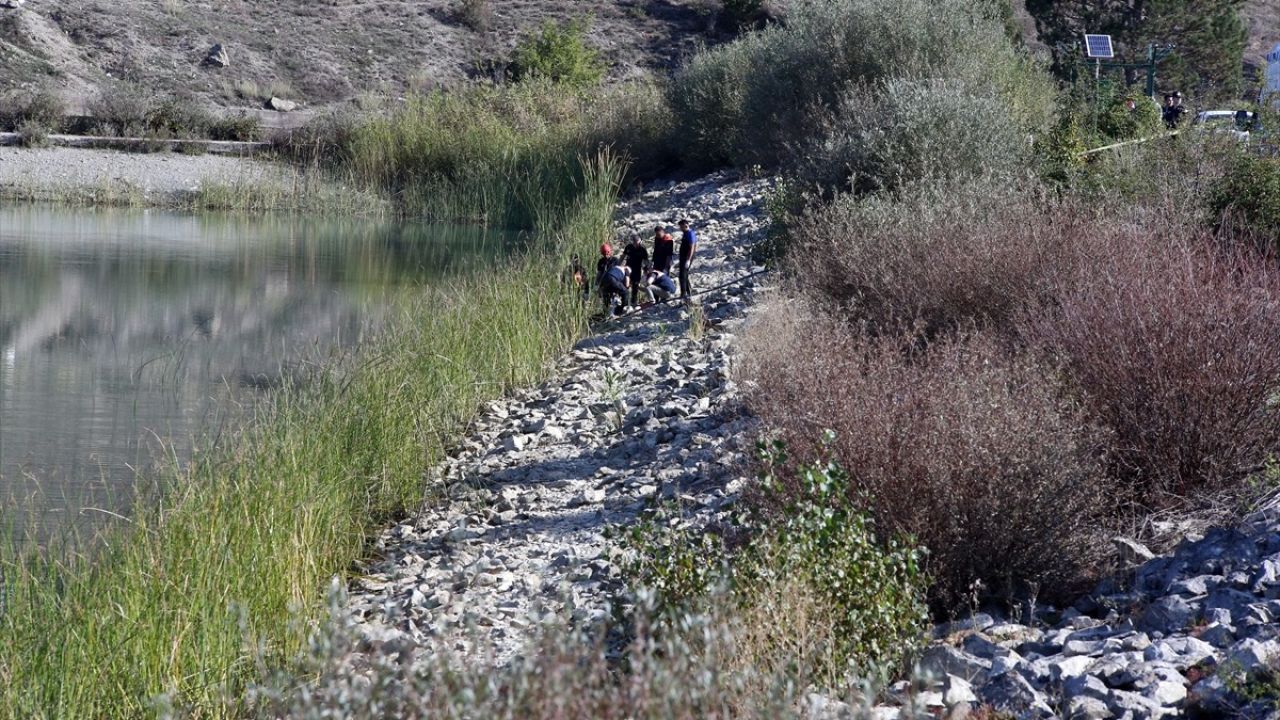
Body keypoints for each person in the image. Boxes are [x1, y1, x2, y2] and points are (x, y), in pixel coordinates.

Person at [621, 232, 649, 307]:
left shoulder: (642, 249)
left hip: (637, 269)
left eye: (637, 241)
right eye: (634, 242)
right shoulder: (628, 247)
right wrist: (619, 265)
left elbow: (646, 260)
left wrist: (646, 270)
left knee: (635, 285)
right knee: (626, 285)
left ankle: (634, 302)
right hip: (628, 269)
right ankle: (625, 302)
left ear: (640, 241)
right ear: (632, 242)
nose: (636, 243)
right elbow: (623, 256)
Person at [676, 218, 697, 300]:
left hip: (687, 257)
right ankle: (688, 291)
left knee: (682, 275)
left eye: (681, 227)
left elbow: (692, 247)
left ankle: (683, 294)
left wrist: (688, 259)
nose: (680, 229)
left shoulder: (690, 234)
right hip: (683, 256)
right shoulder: (685, 233)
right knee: (685, 274)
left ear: (686, 226)